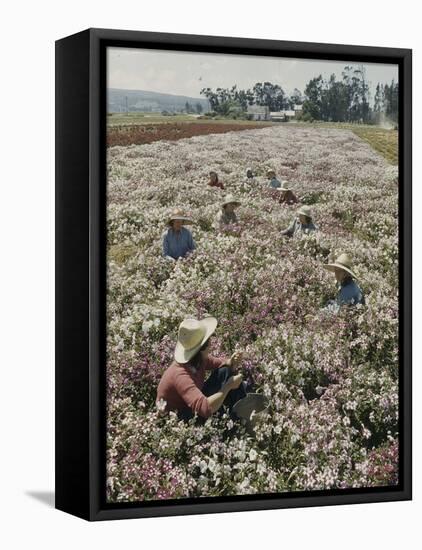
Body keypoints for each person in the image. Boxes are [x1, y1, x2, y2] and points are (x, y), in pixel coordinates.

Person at [156, 317, 247, 420]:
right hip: (178, 418)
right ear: (200, 351)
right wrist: (228, 387)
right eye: (209, 343)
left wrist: (231, 361)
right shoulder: (180, 375)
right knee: (225, 384)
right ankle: (237, 419)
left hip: (191, 403)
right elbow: (205, 409)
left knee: (225, 370)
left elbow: (217, 363)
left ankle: (242, 412)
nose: (211, 346)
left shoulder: (196, 360)